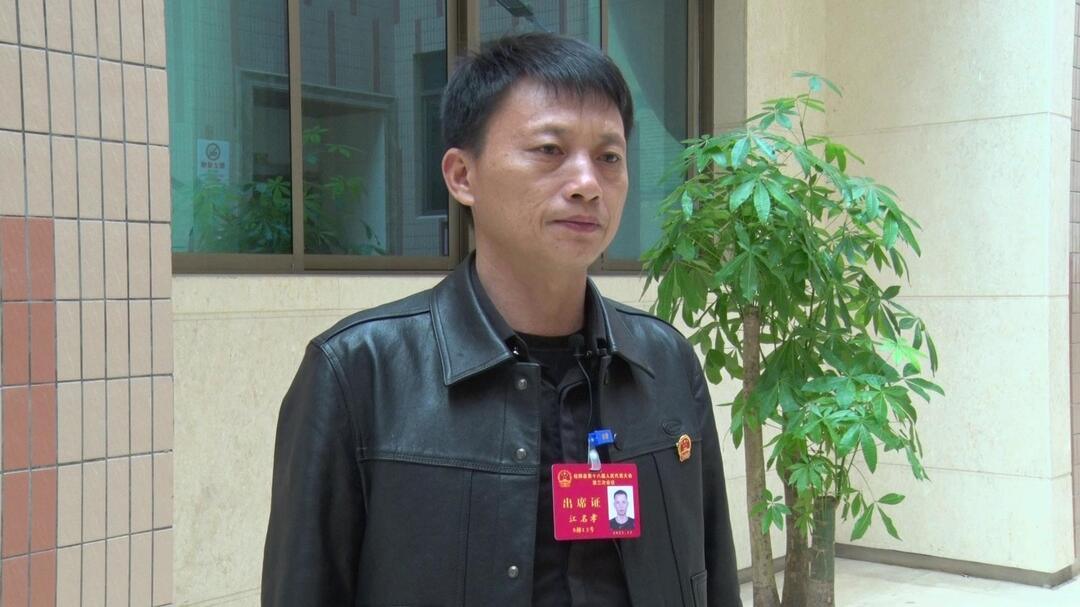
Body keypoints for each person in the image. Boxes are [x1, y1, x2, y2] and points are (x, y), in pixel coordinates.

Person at [261, 32, 742, 607]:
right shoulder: (359, 372)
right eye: (550, 150)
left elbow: (712, 575)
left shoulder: (665, 361)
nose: (587, 184)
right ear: (462, 176)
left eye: (609, 157)